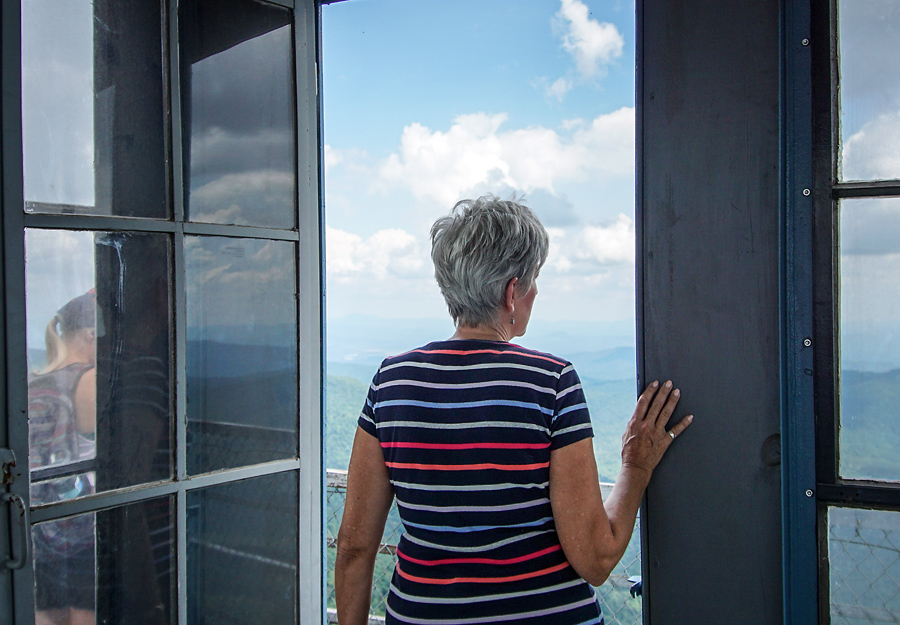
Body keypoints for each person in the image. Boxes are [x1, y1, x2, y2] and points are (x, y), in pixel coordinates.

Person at [335, 195, 694, 624]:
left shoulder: (390, 381)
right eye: (534, 279)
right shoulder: (552, 382)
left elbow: (355, 549)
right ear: (511, 291)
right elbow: (597, 559)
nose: (536, 291)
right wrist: (635, 467)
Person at [28, 290, 100, 625]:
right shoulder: (89, 380)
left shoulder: (34, 382)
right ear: (89, 334)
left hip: (42, 529)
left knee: (48, 615)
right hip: (85, 528)